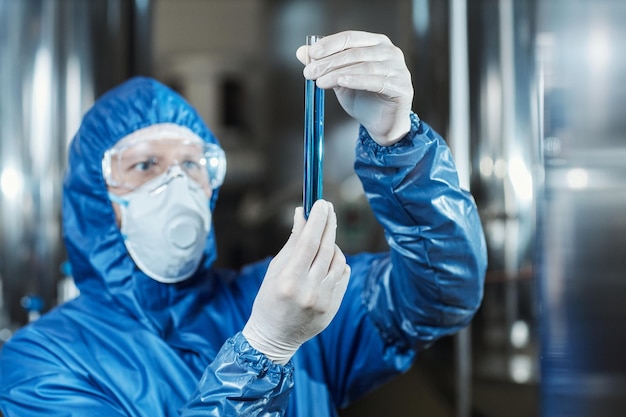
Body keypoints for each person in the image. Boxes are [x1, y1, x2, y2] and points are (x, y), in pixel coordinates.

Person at [0, 30, 486, 416]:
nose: (178, 184)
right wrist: (266, 349)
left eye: (193, 165)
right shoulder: (42, 364)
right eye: (146, 166)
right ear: (94, 197)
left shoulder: (289, 298)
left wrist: (397, 141)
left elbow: (442, 293)